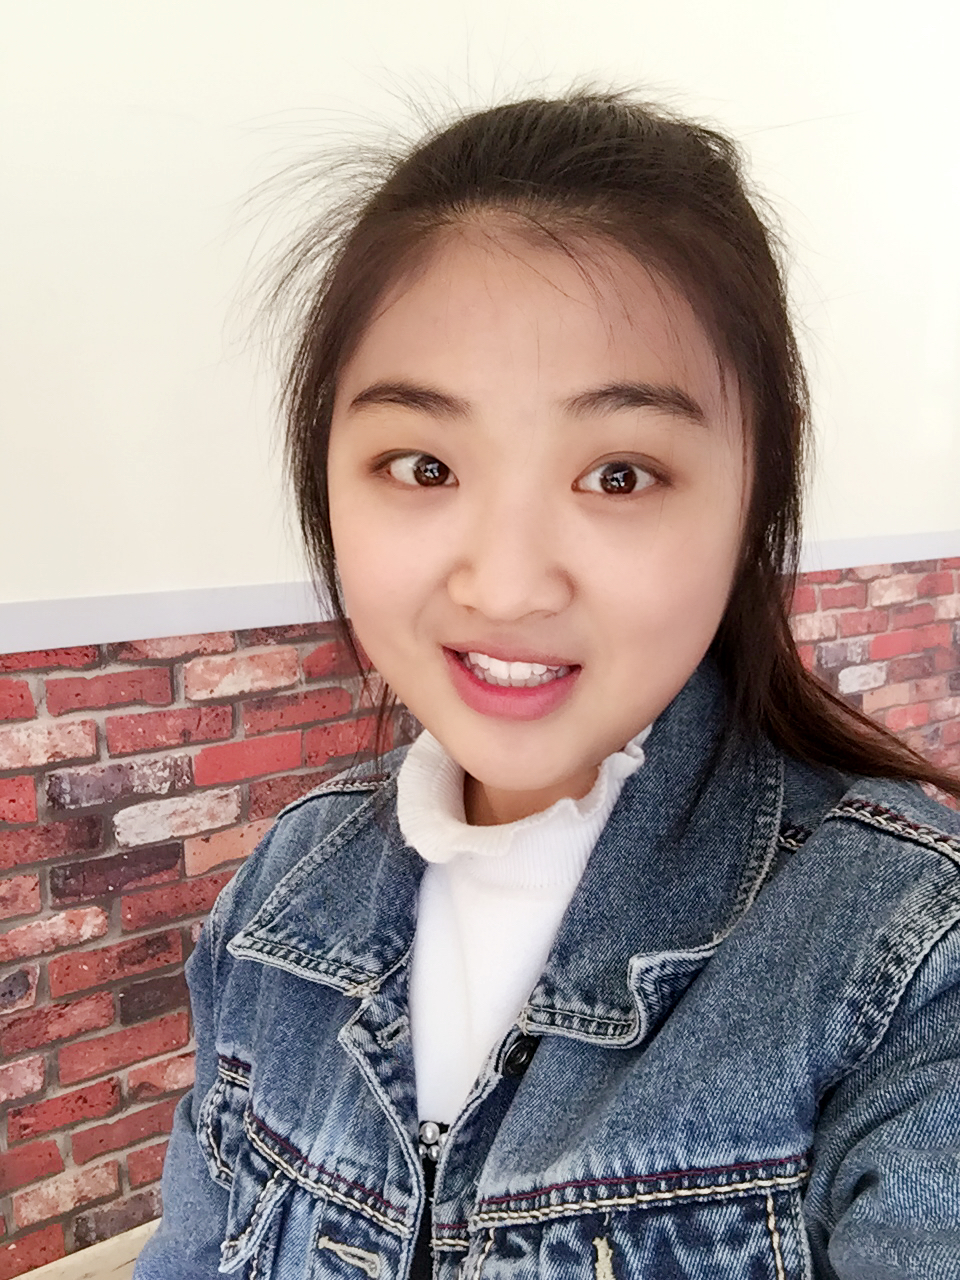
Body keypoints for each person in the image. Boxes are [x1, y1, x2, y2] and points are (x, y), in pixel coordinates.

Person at [134, 92, 960, 1280]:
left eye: (619, 473)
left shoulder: (908, 964)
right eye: (423, 465)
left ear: (754, 488)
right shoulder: (282, 892)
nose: (507, 584)